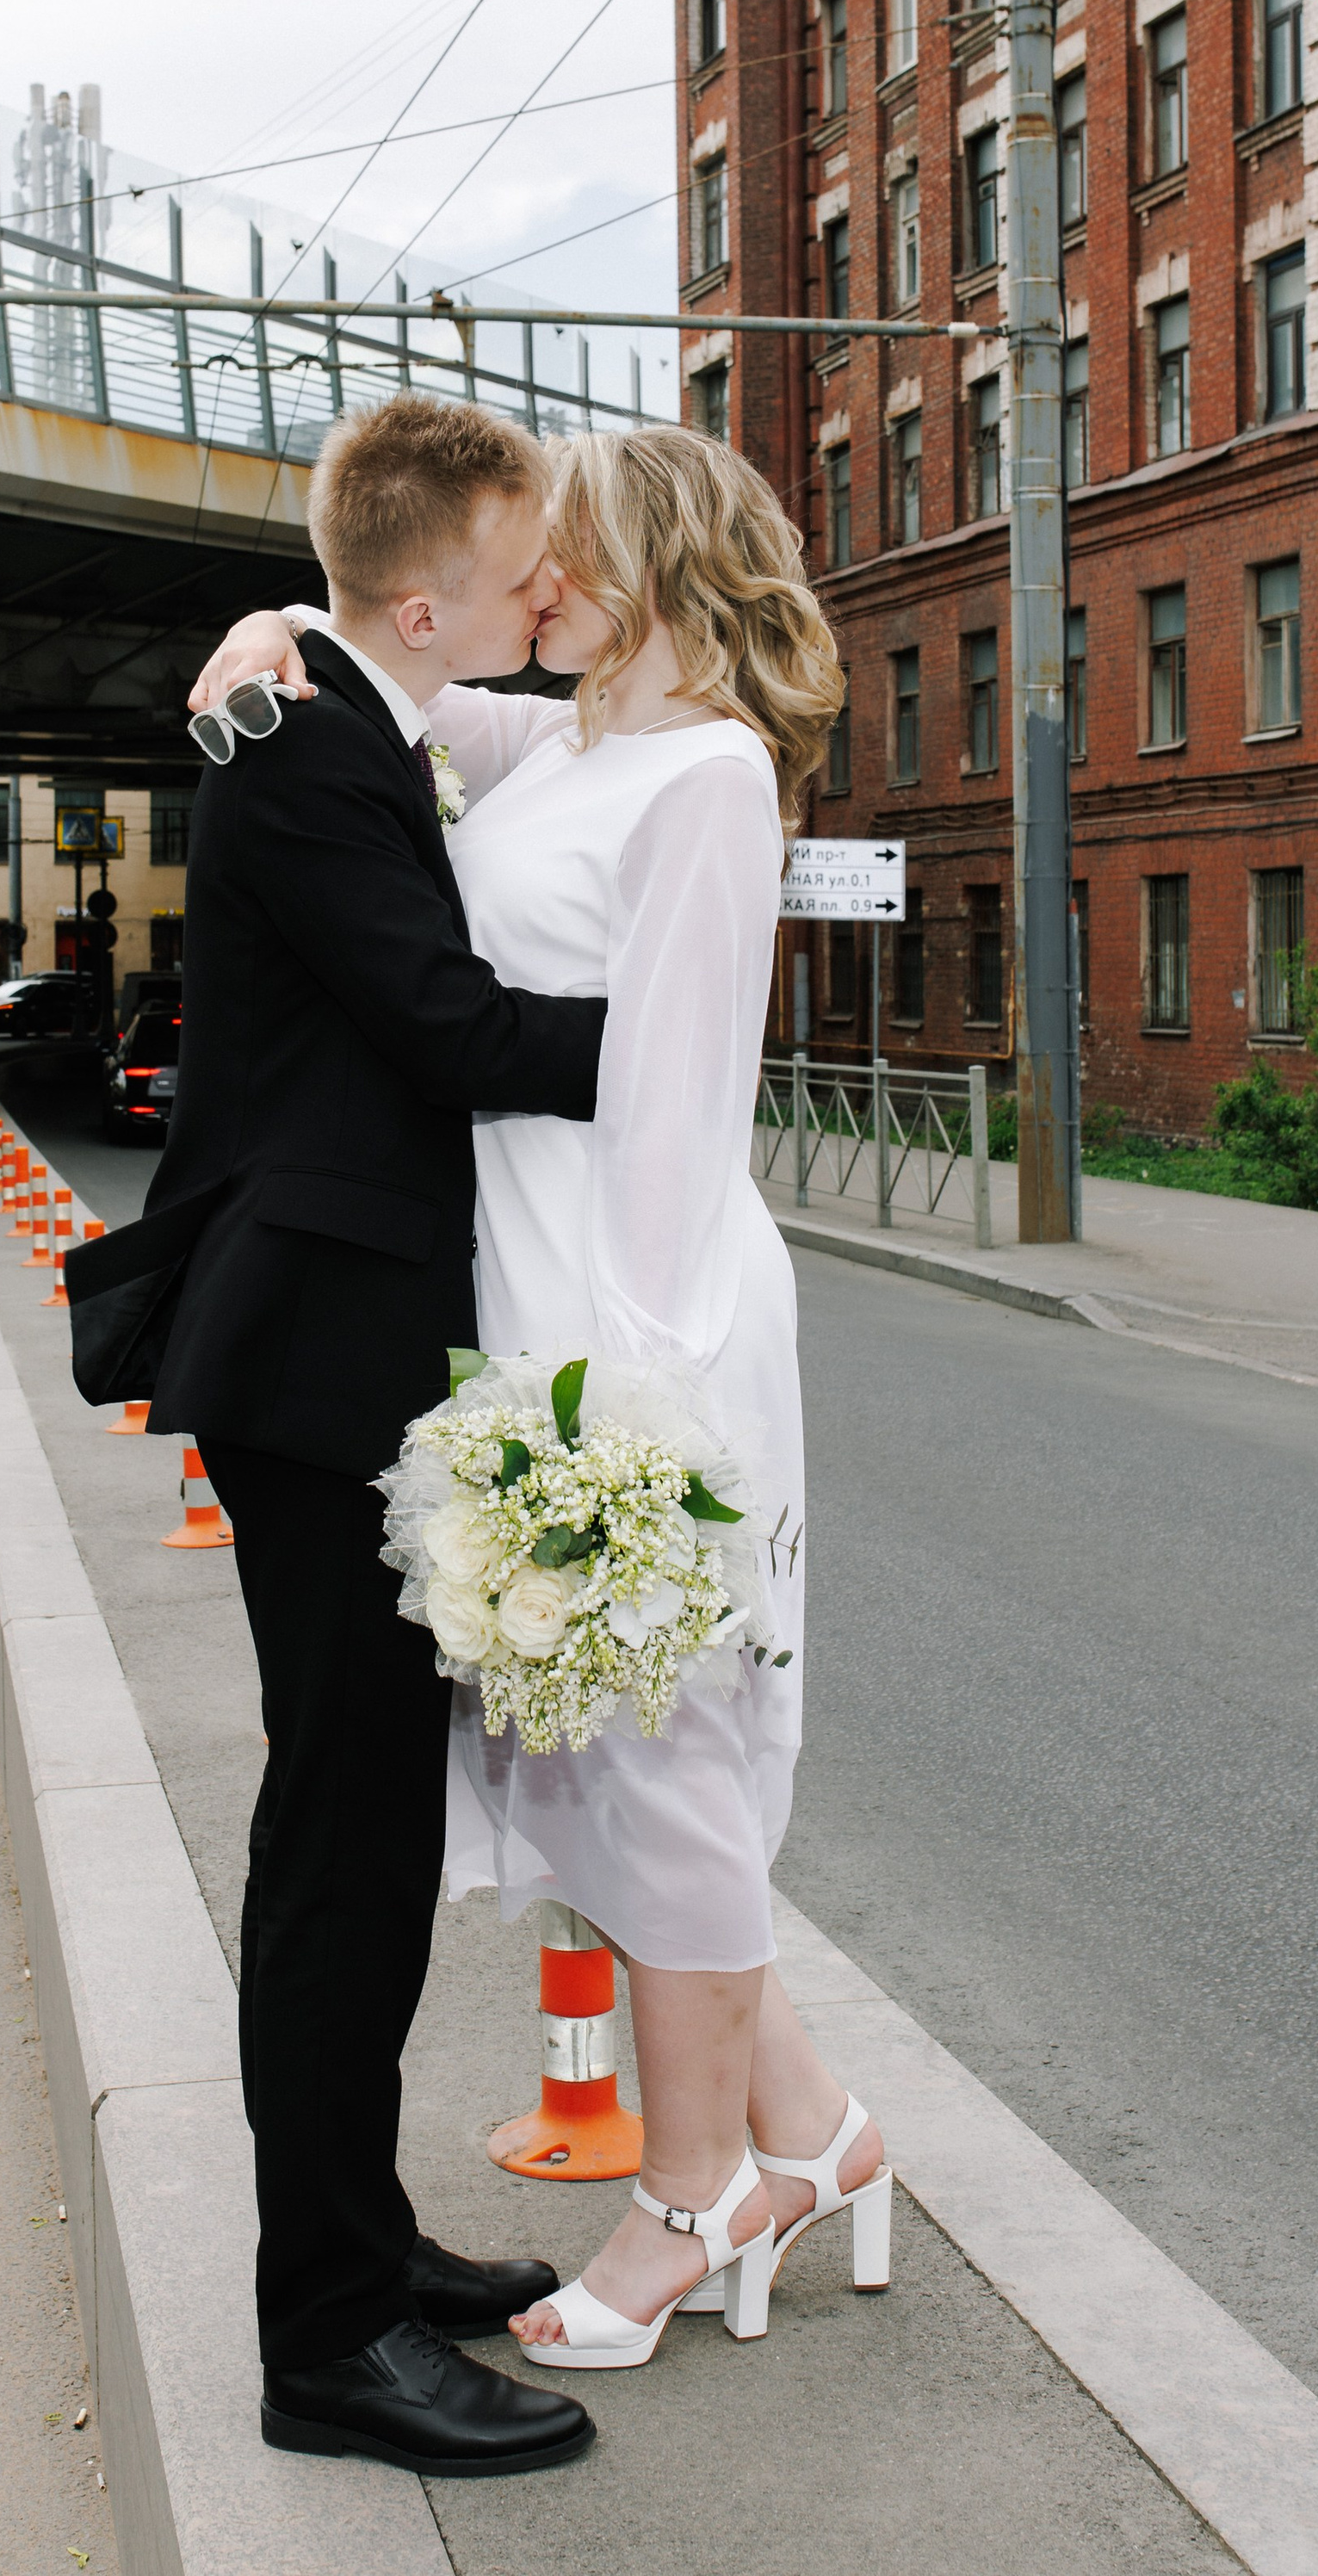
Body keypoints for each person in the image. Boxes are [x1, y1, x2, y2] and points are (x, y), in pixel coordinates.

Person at [195, 422, 892, 2380]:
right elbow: (380, 660)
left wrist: (627, 1417)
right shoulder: (557, 740)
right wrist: (265, 626)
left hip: (625, 1316)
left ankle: (693, 2193)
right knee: (594, 1764)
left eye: (571, 552)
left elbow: (676, 1115)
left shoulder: (710, 775)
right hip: (518, 1313)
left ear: (653, 566)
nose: (542, 583)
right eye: (530, 559)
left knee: (658, 1762)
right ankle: (819, 2132)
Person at [142, 394, 608, 2480]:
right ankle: (324, 2334)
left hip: (338, 1345)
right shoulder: (310, 743)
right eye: (516, 569)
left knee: (363, 1832)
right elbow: (445, 1025)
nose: (543, 590)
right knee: (342, 1847)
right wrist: (684, 1034)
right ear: (423, 605)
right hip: (320, 1356)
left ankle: (361, 2239)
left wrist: (273, 619)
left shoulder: (333, 706)